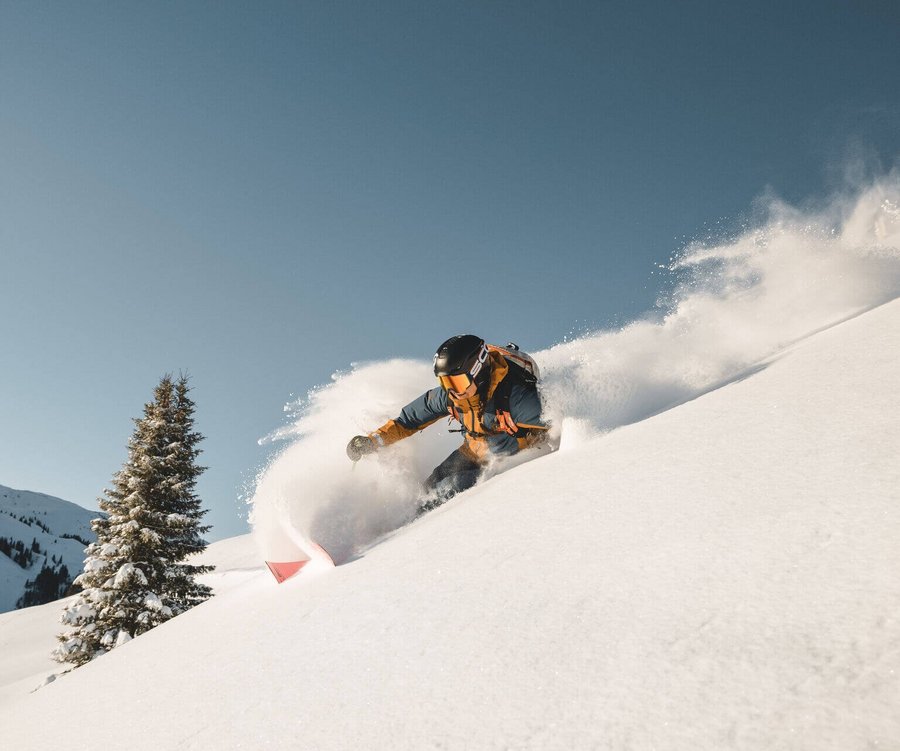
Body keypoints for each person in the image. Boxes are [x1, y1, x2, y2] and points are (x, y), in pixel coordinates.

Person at [346, 334, 549, 512]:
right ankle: (394, 529)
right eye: (446, 383)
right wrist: (372, 441)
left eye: (457, 383)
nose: (451, 391)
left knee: (450, 488)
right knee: (428, 490)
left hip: (507, 461)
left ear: (478, 372)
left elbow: (561, 419)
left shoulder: (518, 400)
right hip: (472, 451)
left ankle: (412, 533)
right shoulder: (452, 397)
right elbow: (408, 421)